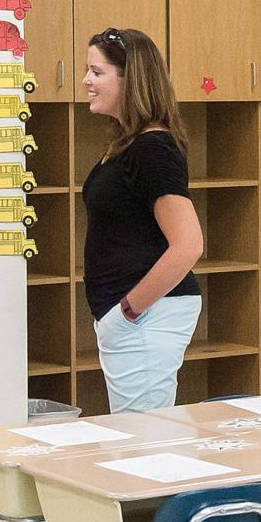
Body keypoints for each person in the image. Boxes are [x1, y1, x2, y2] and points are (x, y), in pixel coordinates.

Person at [81, 28, 203, 412]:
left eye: (97, 72)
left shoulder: (153, 148)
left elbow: (188, 245)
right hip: (129, 317)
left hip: (145, 317)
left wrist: (129, 311)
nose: (86, 81)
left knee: (143, 444)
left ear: (129, 79)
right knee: (137, 438)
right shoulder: (128, 144)